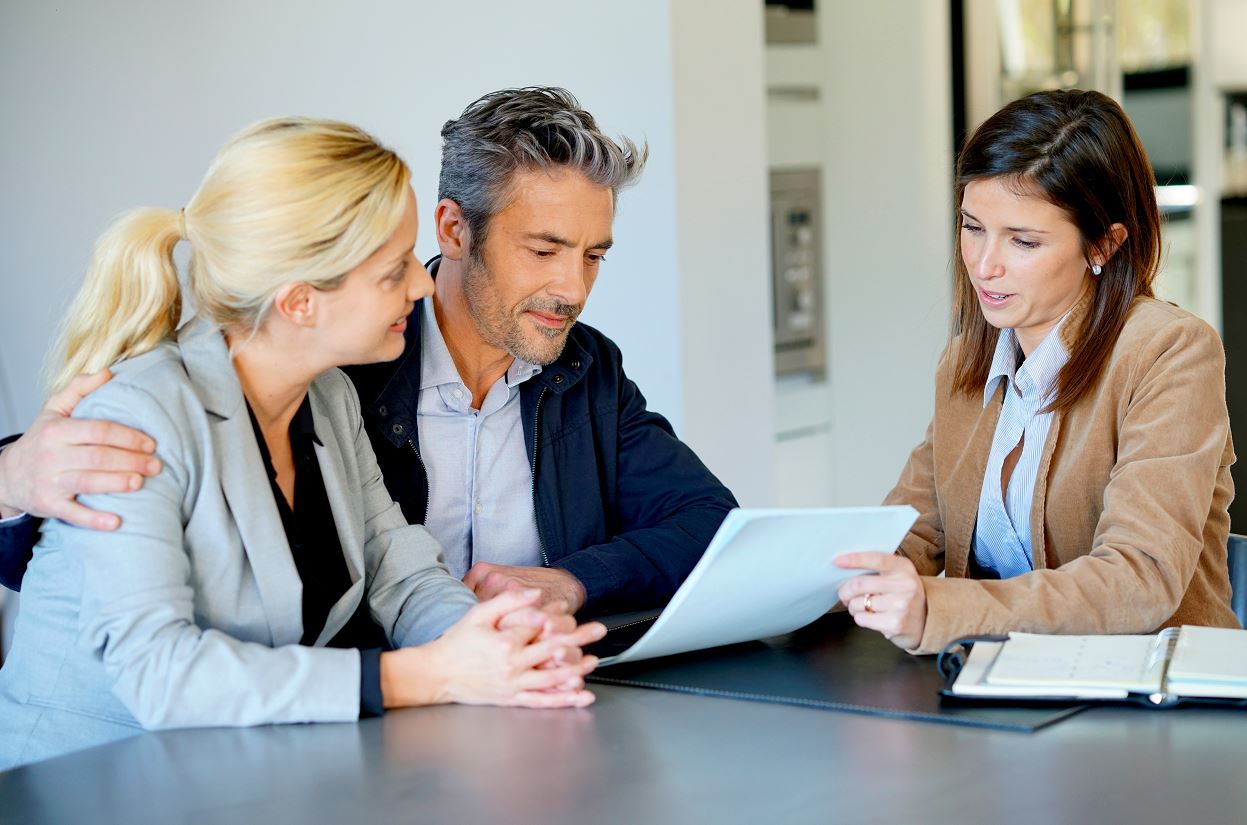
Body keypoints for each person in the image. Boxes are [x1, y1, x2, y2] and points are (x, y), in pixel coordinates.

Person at [0, 117, 604, 769]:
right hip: (80, 783)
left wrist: (497, 638)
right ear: (298, 302)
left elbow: (398, 568)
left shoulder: (330, 398)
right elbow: (159, 672)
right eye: (391, 268)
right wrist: (424, 674)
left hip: (229, 777)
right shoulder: (137, 417)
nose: (423, 283)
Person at [0, 87, 738, 615]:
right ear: (452, 231)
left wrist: (573, 580)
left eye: (593, 256)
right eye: (543, 249)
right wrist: (10, 476)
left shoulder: (585, 369)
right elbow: (69, 544)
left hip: (503, 699)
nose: (571, 288)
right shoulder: (335, 358)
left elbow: (707, 519)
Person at [834, 89, 1238, 654]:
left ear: (1103, 242)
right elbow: (917, 530)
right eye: (972, 227)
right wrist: (809, 578)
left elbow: (1140, 576)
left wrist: (941, 608)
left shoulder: (1168, 351)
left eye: (1023, 241)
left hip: (1149, 701)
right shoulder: (965, 364)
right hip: (998, 692)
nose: (984, 263)